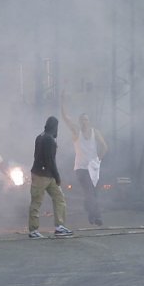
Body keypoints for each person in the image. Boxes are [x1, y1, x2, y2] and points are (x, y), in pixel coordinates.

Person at [61, 93, 108, 226]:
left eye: (86, 119)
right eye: (82, 120)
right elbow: (66, 118)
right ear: (79, 122)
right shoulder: (76, 132)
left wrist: (98, 159)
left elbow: (105, 147)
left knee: (94, 193)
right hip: (81, 168)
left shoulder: (95, 132)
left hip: (93, 168)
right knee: (90, 192)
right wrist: (63, 102)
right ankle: (97, 217)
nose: (84, 122)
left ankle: (90, 212)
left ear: (89, 121)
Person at [28, 116, 73, 239]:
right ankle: (34, 230)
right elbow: (50, 160)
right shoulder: (49, 140)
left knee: (58, 198)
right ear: (54, 127)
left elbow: (37, 156)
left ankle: (59, 227)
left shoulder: (40, 137)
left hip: (42, 174)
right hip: (44, 175)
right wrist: (57, 176)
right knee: (38, 202)